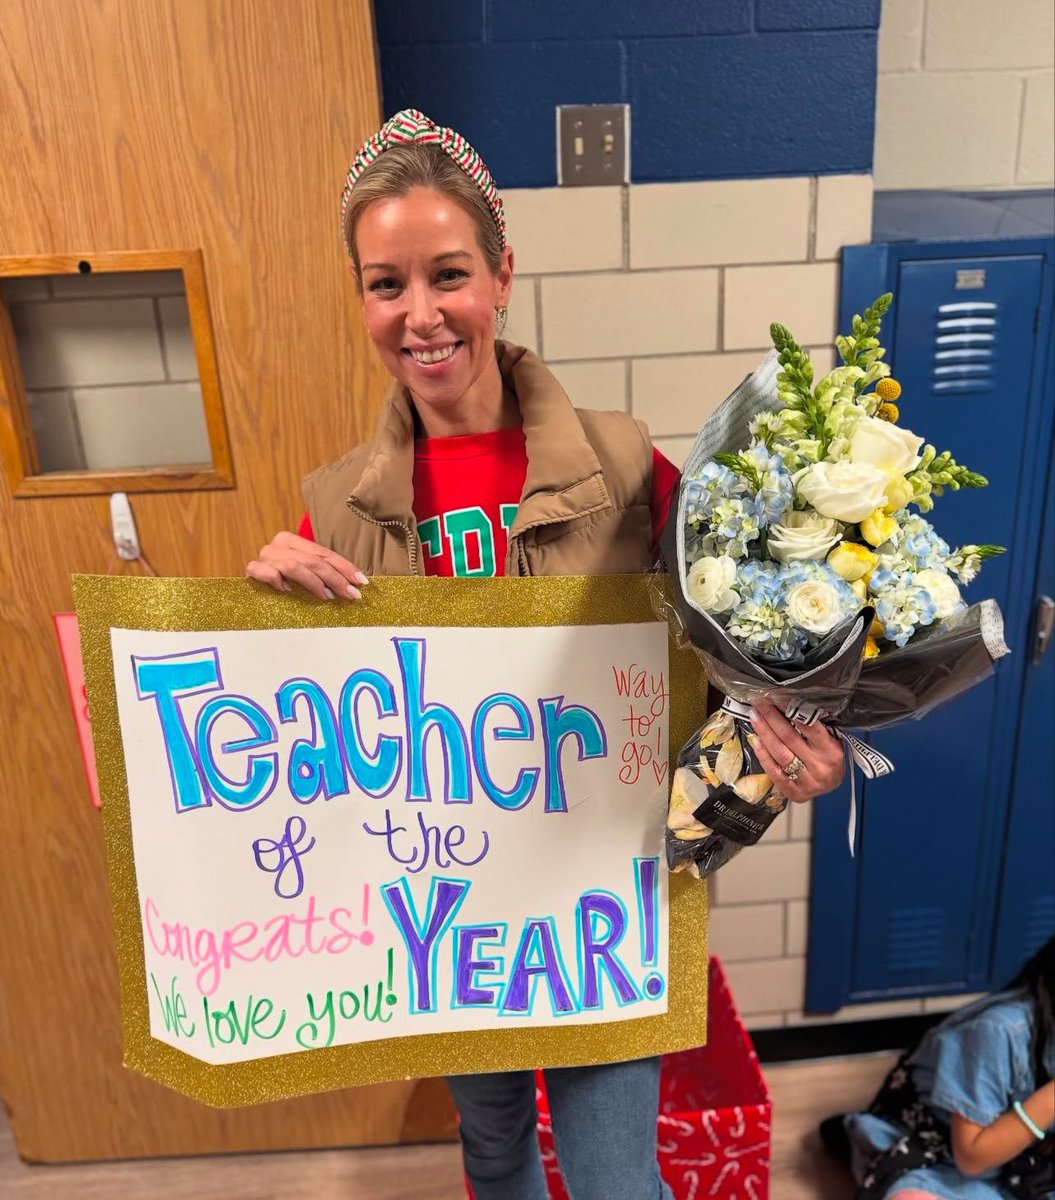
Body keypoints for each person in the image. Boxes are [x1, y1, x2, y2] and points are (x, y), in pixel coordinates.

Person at [247, 107, 846, 1200]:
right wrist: (263, 625)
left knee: (617, 1176)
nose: (419, 314)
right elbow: (320, 749)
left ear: (502, 275)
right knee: (490, 1146)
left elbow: (738, 658)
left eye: (447, 274)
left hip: (594, 901)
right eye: (385, 284)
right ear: (360, 297)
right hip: (441, 914)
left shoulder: (619, 463)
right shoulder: (335, 505)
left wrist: (791, 747)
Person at [822, 935, 1055, 1200]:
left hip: (1032, 1164)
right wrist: (1050, 1100)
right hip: (944, 1157)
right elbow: (973, 1160)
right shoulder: (998, 1031)